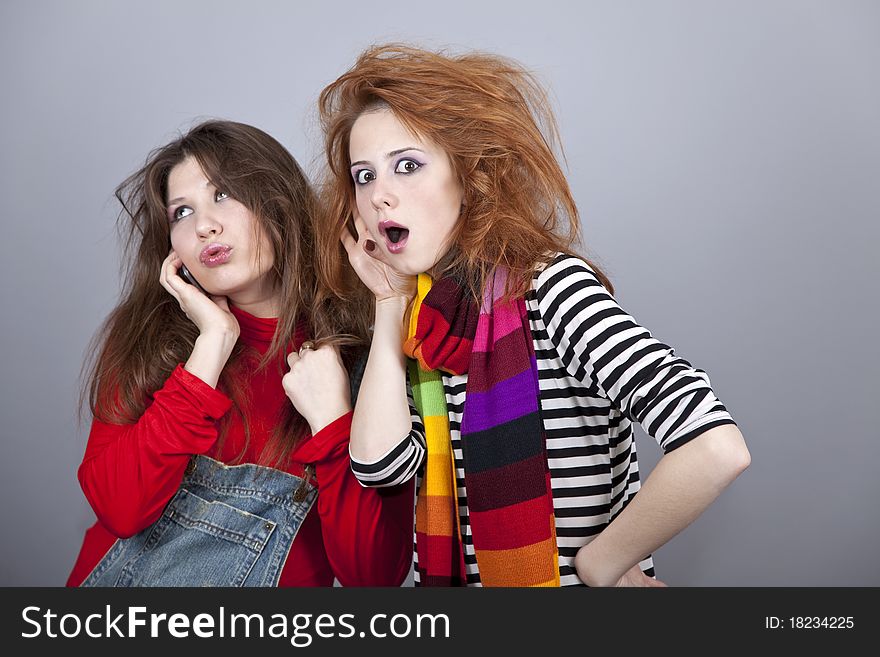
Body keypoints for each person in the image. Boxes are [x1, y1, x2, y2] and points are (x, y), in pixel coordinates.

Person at [316, 45, 751, 587]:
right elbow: (383, 468)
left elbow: (715, 445)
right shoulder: (429, 324)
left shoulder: (550, 287)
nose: (380, 196)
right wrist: (387, 302)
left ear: (470, 175)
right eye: (364, 176)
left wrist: (602, 561)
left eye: (408, 165)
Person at [67, 120, 413, 587]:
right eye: (181, 213)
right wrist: (210, 346)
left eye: (223, 195)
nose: (205, 225)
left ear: (278, 203)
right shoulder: (146, 339)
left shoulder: (363, 365)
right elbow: (120, 509)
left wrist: (332, 421)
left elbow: (372, 576)